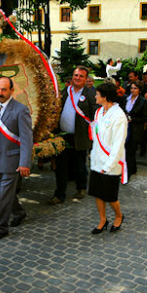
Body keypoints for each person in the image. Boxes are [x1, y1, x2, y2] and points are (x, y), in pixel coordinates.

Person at [0, 77, 33, 242]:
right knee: (7, 192)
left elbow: (27, 139)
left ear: (12, 91)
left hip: (12, 161)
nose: (0, 93)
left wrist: (24, 163)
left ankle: (1, 227)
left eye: (4, 89)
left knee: (4, 194)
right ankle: (19, 212)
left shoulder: (21, 110)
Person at [49, 66, 96, 204]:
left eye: (81, 76)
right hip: (63, 136)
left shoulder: (90, 94)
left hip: (80, 137)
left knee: (80, 165)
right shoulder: (66, 91)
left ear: (86, 79)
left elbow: (95, 115)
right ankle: (59, 194)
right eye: (76, 75)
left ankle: (81, 187)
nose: (77, 78)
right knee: (61, 166)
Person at [89, 82, 127, 234]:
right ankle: (102, 219)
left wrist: (108, 165)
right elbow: (96, 132)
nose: (95, 96)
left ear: (104, 97)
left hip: (110, 163)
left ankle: (119, 216)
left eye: (97, 94)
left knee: (110, 196)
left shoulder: (119, 116)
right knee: (97, 193)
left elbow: (118, 144)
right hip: (97, 159)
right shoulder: (99, 112)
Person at [120, 80, 147, 177]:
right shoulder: (125, 99)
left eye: (135, 88)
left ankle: (129, 172)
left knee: (131, 151)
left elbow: (145, 118)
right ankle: (131, 168)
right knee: (125, 150)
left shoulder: (142, 101)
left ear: (139, 90)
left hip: (135, 129)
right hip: (124, 128)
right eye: (132, 88)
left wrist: (132, 119)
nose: (133, 90)